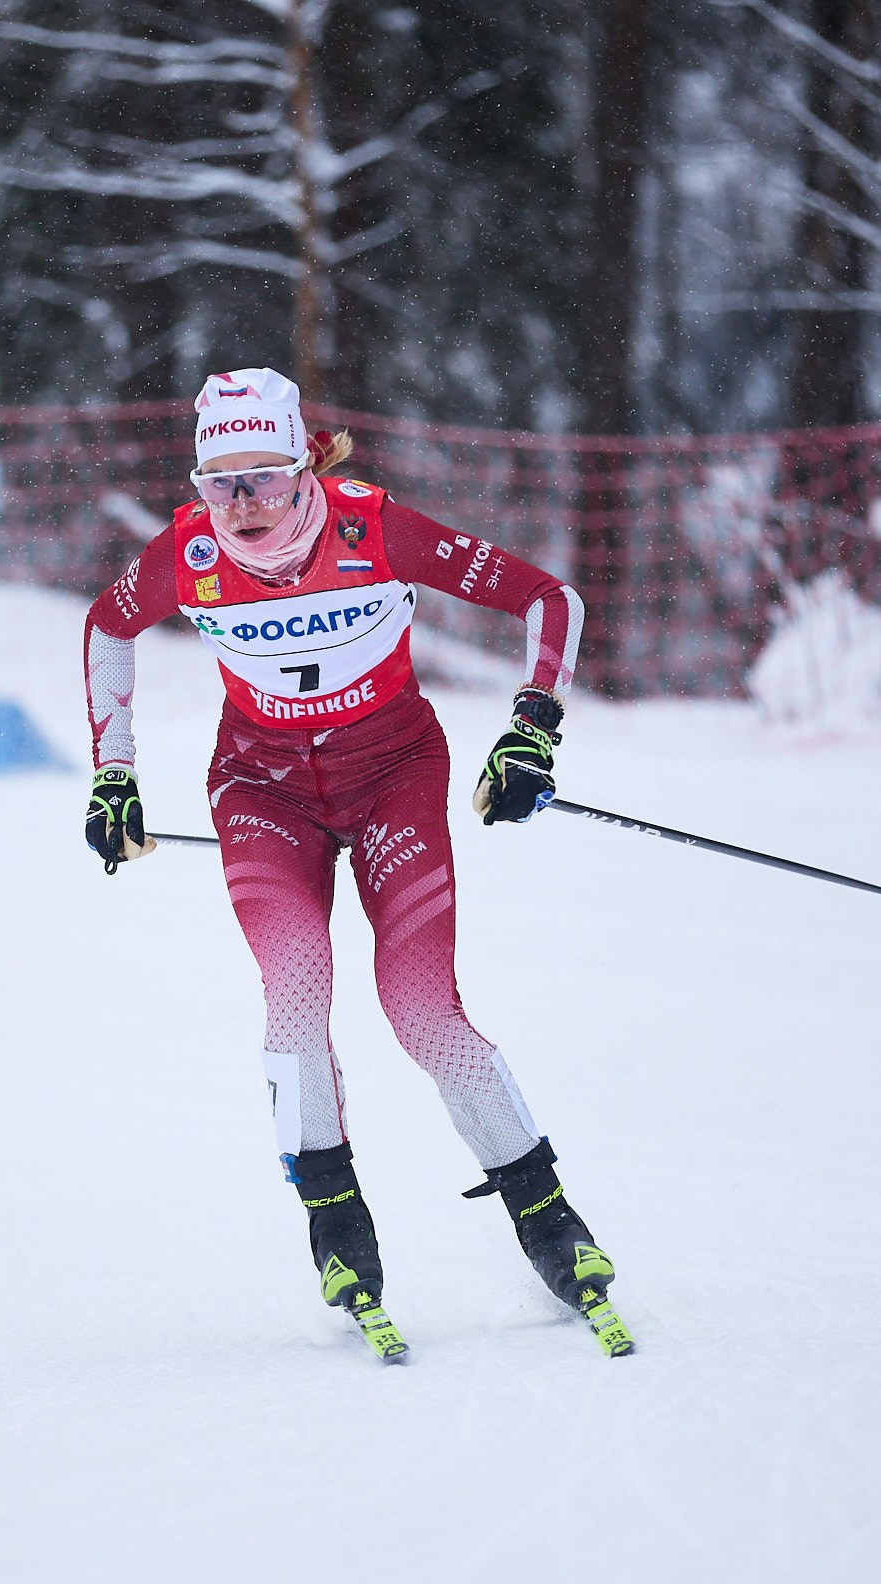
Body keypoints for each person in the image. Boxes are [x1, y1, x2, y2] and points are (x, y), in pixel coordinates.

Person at [78, 368, 633, 1360]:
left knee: (420, 1007)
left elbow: (548, 599)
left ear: (306, 467)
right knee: (294, 986)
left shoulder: (374, 531)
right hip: (261, 790)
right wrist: (112, 774)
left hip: (392, 778)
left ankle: (551, 1221)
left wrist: (532, 731)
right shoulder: (189, 554)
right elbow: (105, 625)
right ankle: (336, 1225)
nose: (241, 503)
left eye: (263, 476)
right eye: (218, 481)